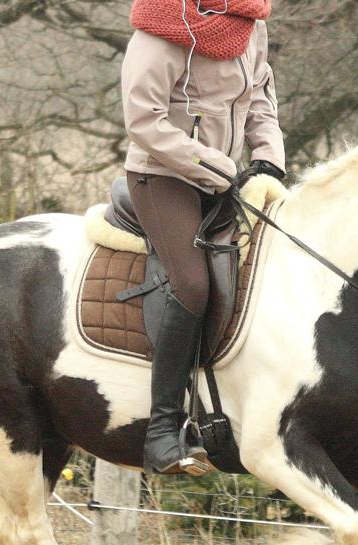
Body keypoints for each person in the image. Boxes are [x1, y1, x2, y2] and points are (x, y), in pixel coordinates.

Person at [121, 0, 286, 475]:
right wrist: (218, 167)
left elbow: (259, 101)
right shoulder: (158, 30)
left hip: (231, 176)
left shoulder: (251, 26)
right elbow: (143, 119)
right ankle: (161, 431)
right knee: (192, 285)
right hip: (163, 176)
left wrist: (269, 158)